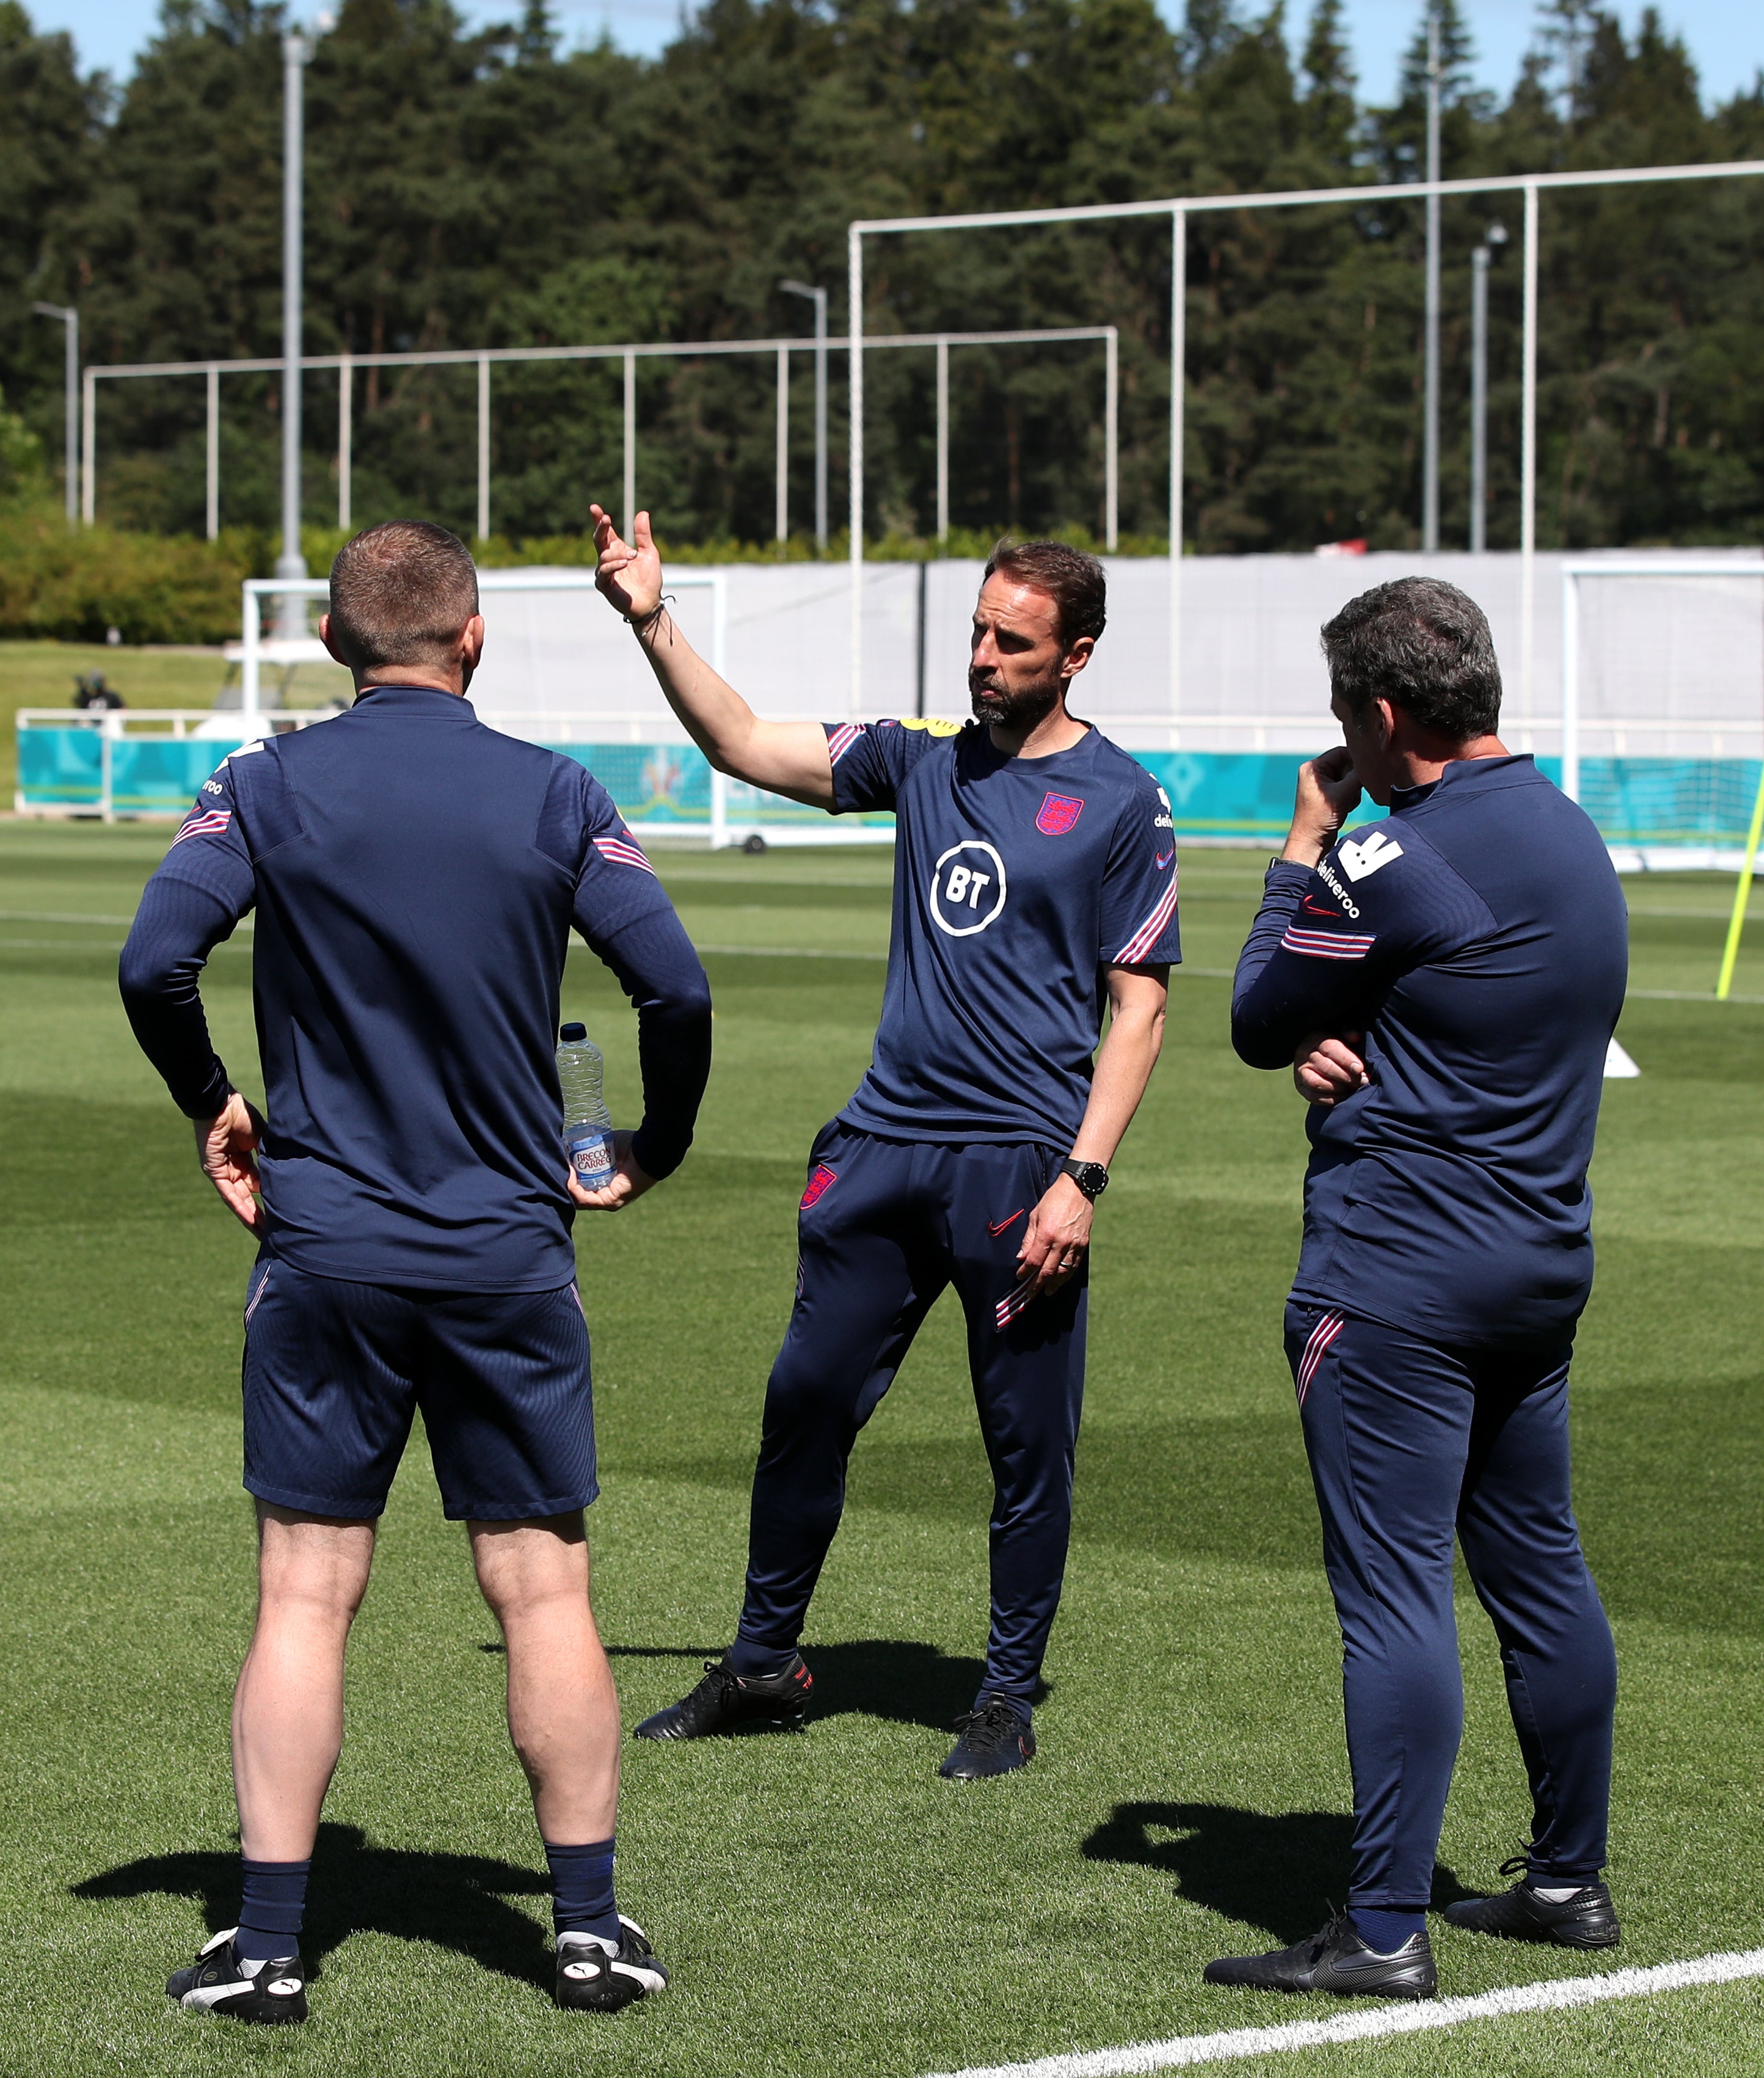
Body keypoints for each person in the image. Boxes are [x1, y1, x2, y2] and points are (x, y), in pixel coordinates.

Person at [118, 520, 712, 2024]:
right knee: (542, 1589)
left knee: (307, 1593)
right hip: (508, 1247)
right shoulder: (556, 793)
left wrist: (215, 1100)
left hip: (328, 1247)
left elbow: (151, 966)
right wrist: (653, 1145)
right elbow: (674, 986)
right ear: (473, 639)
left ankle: (262, 1945)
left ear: (332, 643)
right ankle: (584, 1932)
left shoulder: (262, 785)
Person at [593, 508, 1176, 1781]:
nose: (981, 657)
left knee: (1024, 1443)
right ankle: (760, 1662)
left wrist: (1083, 1178)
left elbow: (1141, 1003)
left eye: (1011, 643)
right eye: (976, 631)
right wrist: (652, 618)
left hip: (1017, 1168)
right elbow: (744, 742)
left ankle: (1004, 1697)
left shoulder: (1124, 802)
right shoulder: (919, 758)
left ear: (1073, 655)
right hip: (880, 1150)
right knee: (802, 1403)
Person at [1205, 577, 1628, 2002]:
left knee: (1393, 1597)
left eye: (1343, 716)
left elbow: (1261, 1015)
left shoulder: (1392, 856)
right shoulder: (1571, 834)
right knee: (1539, 1571)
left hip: (1397, 1277)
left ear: (1382, 717)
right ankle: (1567, 1879)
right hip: (1536, 1265)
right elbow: (1457, 1004)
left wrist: (1307, 841)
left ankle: (1382, 1928)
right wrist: (1363, 1019)